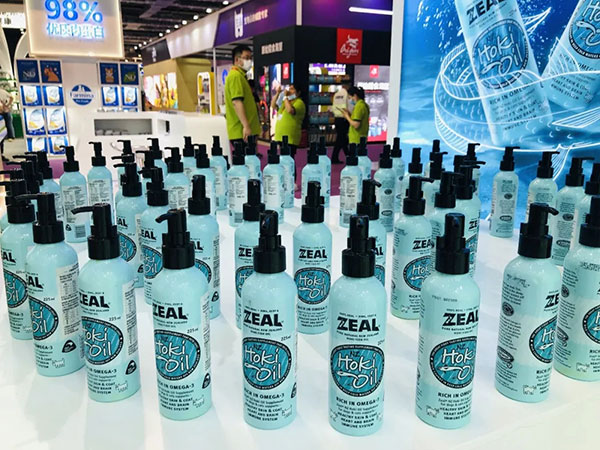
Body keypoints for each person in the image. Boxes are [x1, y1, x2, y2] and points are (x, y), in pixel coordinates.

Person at [224, 45, 261, 146]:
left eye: (250, 58)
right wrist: (246, 126)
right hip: (241, 132)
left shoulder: (240, 76)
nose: (249, 61)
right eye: (246, 58)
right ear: (237, 59)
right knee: (247, 156)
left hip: (245, 131)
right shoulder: (235, 76)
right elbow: (237, 102)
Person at [271, 83, 306, 160]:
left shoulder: (299, 102)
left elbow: (290, 110)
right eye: (289, 88)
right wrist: (278, 93)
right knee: (283, 159)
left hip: (290, 137)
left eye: (292, 89)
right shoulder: (286, 101)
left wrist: (285, 97)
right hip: (281, 136)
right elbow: (273, 105)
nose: (289, 91)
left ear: (298, 92)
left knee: (289, 160)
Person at [331, 84, 349, 163]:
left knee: (342, 138)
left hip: (337, 118)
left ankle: (348, 154)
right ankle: (335, 157)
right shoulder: (347, 94)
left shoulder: (336, 94)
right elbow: (349, 107)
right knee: (341, 138)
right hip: (344, 118)